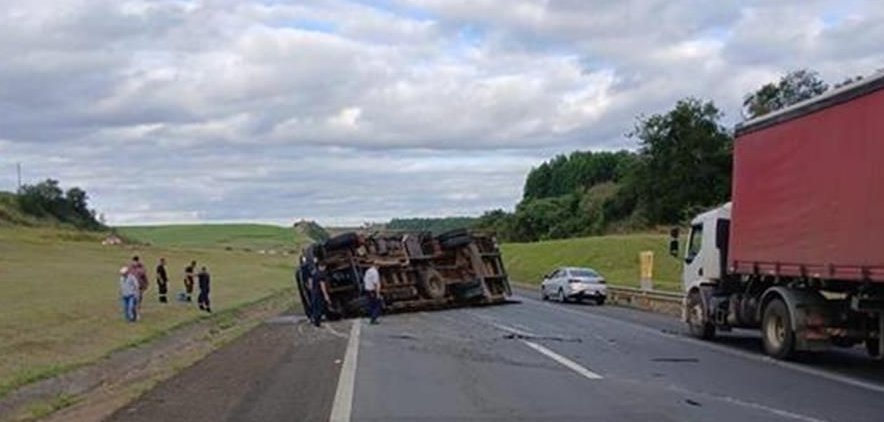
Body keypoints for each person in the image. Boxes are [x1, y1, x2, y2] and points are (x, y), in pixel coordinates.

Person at [310, 262, 330, 327]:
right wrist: (326, 295)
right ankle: (317, 322)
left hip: (314, 292)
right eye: (324, 267)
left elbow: (310, 283)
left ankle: (315, 321)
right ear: (322, 266)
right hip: (319, 293)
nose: (325, 269)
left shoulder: (314, 273)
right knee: (319, 307)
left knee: (315, 307)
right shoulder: (321, 274)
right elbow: (322, 285)